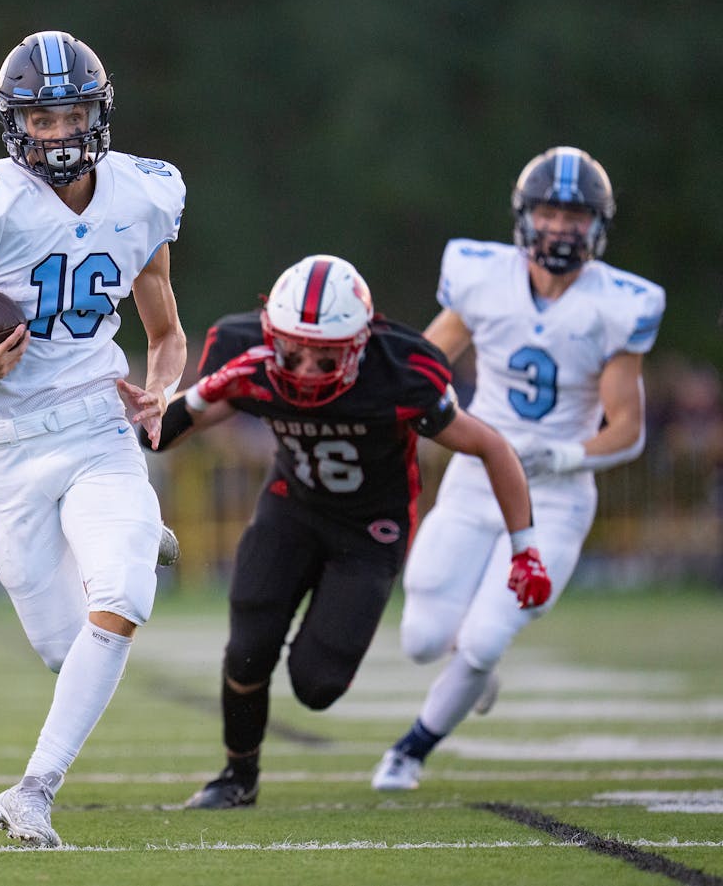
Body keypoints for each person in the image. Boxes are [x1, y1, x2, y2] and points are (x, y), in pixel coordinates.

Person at [0, 29, 188, 847]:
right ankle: (137, 531)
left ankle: (35, 787)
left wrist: (162, 389)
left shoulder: (145, 195)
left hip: (96, 426)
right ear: (15, 123)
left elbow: (165, 330)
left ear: (100, 112)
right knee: (67, 653)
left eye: (73, 113)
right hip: (7, 445)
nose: (58, 132)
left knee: (120, 599)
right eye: (41, 118)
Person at [147, 254, 541, 809]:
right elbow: (161, 436)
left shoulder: (399, 372)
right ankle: (239, 777)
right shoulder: (249, 358)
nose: (305, 369)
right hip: (292, 507)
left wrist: (525, 547)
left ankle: (451, 637)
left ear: (358, 345)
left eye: (325, 356)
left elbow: (490, 446)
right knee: (247, 649)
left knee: (316, 684)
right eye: (293, 352)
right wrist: (164, 405)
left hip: (370, 528)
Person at [372, 146, 665, 791]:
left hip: (556, 498)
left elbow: (629, 428)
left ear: (598, 225)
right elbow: (426, 361)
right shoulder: (482, 276)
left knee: (483, 640)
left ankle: (411, 751)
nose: (561, 226)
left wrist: (562, 454)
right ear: (525, 215)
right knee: (423, 638)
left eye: (576, 215)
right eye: (550, 211)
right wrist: (394, 402)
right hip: (477, 478)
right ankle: (472, 669)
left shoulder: (617, 304)